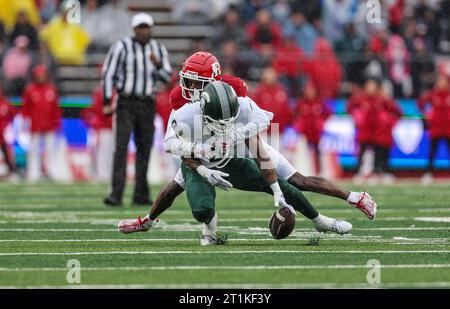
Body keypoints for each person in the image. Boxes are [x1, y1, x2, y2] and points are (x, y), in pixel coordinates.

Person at [116, 52, 377, 236]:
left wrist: (236, 137)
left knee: (297, 181)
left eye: (197, 82)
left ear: (213, 81)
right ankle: (147, 222)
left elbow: (262, 122)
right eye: (188, 80)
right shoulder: (181, 104)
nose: (189, 87)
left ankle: (352, 199)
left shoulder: (234, 92)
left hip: (238, 143)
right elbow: (178, 144)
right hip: (204, 146)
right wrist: (202, 161)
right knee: (174, 187)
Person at [136, 81, 354, 245]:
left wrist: (275, 187)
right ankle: (206, 231)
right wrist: (201, 163)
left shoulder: (241, 104)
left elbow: (262, 128)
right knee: (197, 206)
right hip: (199, 161)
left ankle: (321, 220)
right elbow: (173, 146)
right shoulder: (185, 114)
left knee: (285, 185)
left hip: (233, 156)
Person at [102, 13, 172, 206]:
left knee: (144, 149)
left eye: (147, 27)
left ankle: (140, 194)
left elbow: (167, 78)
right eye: (140, 27)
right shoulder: (121, 46)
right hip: (126, 103)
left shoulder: (158, 48)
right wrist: (107, 100)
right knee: (121, 148)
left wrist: (157, 64)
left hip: (147, 104)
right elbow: (108, 73)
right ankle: (116, 193)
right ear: (134, 29)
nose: (144, 30)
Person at [21, 65, 61, 182]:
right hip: (35, 125)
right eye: (39, 75)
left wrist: (57, 123)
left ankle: (50, 171)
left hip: (50, 125)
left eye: (42, 75)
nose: (41, 77)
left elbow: (55, 109)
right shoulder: (30, 90)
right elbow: (25, 108)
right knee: (34, 151)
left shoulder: (51, 89)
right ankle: (33, 173)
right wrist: (25, 122)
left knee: (50, 151)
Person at [418, 75, 450, 184]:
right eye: (440, 81)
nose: (441, 84)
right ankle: (428, 173)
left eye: (443, 81)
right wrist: (426, 114)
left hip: (448, 129)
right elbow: (420, 103)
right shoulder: (433, 94)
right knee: (432, 152)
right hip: (436, 129)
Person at [293, 82, 331, 175]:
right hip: (305, 132)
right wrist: (299, 124)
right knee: (304, 153)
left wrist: (320, 122)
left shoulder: (319, 102)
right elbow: (294, 114)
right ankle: (305, 171)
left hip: (316, 133)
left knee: (317, 152)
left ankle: (319, 171)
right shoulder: (302, 103)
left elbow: (328, 112)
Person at [0, 82, 16, 178]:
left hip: (3, 135)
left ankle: (12, 171)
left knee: (7, 153)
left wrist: (8, 129)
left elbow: (13, 116)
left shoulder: (6, 103)